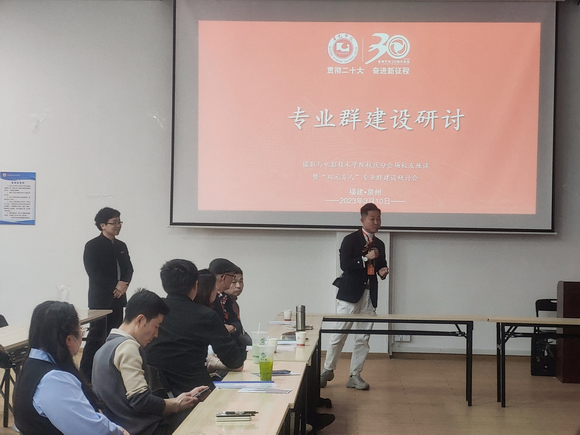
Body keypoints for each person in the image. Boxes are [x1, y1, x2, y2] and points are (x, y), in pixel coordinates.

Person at [92, 289, 206, 435]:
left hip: (122, 428)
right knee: (200, 417)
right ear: (140, 320)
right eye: (156, 326)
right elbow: (140, 401)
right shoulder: (128, 347)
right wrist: (176, 405)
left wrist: (179, 400)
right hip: (144, 430)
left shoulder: (103, 350)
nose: (156, 334)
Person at [13, 301, 128, 435]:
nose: (81, 335)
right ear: (68, 340)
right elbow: (90, 429)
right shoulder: (53, 380)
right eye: (81, 330)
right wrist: (119, 432)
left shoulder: (31, 363)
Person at [146, 259, 246, 394]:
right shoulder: (206, 315)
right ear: (195, 285)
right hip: (197, 392)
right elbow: (235, 361)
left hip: (156, 393)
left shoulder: (151, 310)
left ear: (163, 286)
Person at [320, 203, 389, 390]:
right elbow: (345, 265)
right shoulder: (350, 240)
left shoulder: (380, 244)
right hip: (350, 294)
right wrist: (366, 258)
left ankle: (355, 375)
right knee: (339, 333)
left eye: (378, 219)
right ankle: (327, 370)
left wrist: (383, 270)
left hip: (369, 294)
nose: (376, 222)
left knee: (363, 338)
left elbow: (381, 264)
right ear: (362, 220)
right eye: (372, 219)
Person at [81, 207, 134, 381]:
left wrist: (123, 285)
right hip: (100, 299)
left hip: (119, 298)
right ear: (102, 225)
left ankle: (109, 373)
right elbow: (93, 273)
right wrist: (115, 286)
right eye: (114, 222)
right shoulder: (92, 245)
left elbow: (128, 269)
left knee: (115, 336)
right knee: (96, 337)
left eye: (120, 222)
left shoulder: (121, 245)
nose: (118, 225)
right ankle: (86, 375)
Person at [213, 268, 251, 346]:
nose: (238, 286)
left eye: (241, 281)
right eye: (233, 282)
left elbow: (238, 326)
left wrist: (233, 327)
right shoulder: (216, 301)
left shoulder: (230, 302)